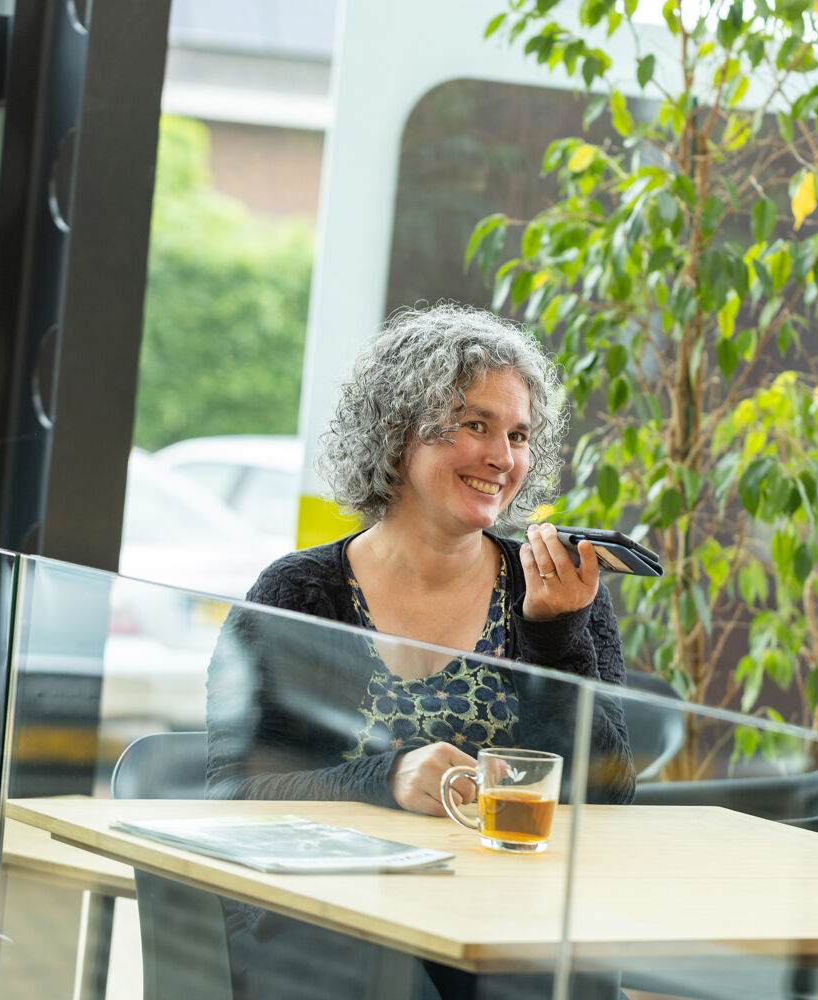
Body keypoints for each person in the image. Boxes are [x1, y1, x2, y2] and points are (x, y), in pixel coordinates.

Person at [204, 302, 633, 1000]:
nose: (503, 458)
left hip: (500, 921)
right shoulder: (300, 593)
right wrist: (389, 778)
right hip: (329, 924)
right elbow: (235, 795)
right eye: (476, 425)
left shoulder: (556, 592)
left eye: (520, 434)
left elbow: (607, 796)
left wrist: (555, 636)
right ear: (398, 431)